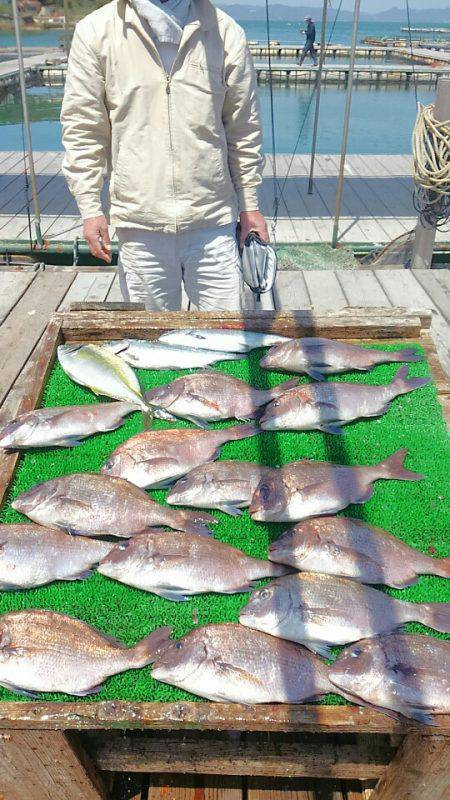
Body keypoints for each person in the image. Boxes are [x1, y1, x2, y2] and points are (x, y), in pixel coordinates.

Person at [61, 0, 268, 311]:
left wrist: (249, 204)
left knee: (225, 336)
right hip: (140, 223)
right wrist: (90, 208)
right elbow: (83, 128)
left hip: (212, 221)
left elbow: (243, 128)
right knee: (151, 340)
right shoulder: (95, 31)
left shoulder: (226, 32)